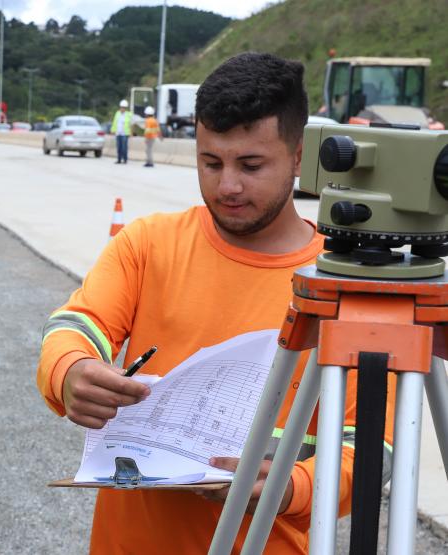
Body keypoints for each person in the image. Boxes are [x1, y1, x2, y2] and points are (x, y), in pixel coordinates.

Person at [36, 52, 396, 553]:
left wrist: (293, 487)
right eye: (210, 163)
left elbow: (374, 448)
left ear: (299, 157)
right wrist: (69, 370)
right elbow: (77, 324)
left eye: (251, 165)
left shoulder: (343, 283)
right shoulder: (149, 244)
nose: (227, 186)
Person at [111, 99, 132, 164]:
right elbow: (114, 122)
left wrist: (131, 132)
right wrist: (113, 130)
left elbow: (131, 124)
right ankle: (119, 159)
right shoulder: (117, 113)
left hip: (125, 133)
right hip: (118, 133)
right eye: (121, 107)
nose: (122, 109)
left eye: (124, 107)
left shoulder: (129, 114)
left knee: (124, 148)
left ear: (125, 108)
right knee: (118, 147)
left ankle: (125, 159)